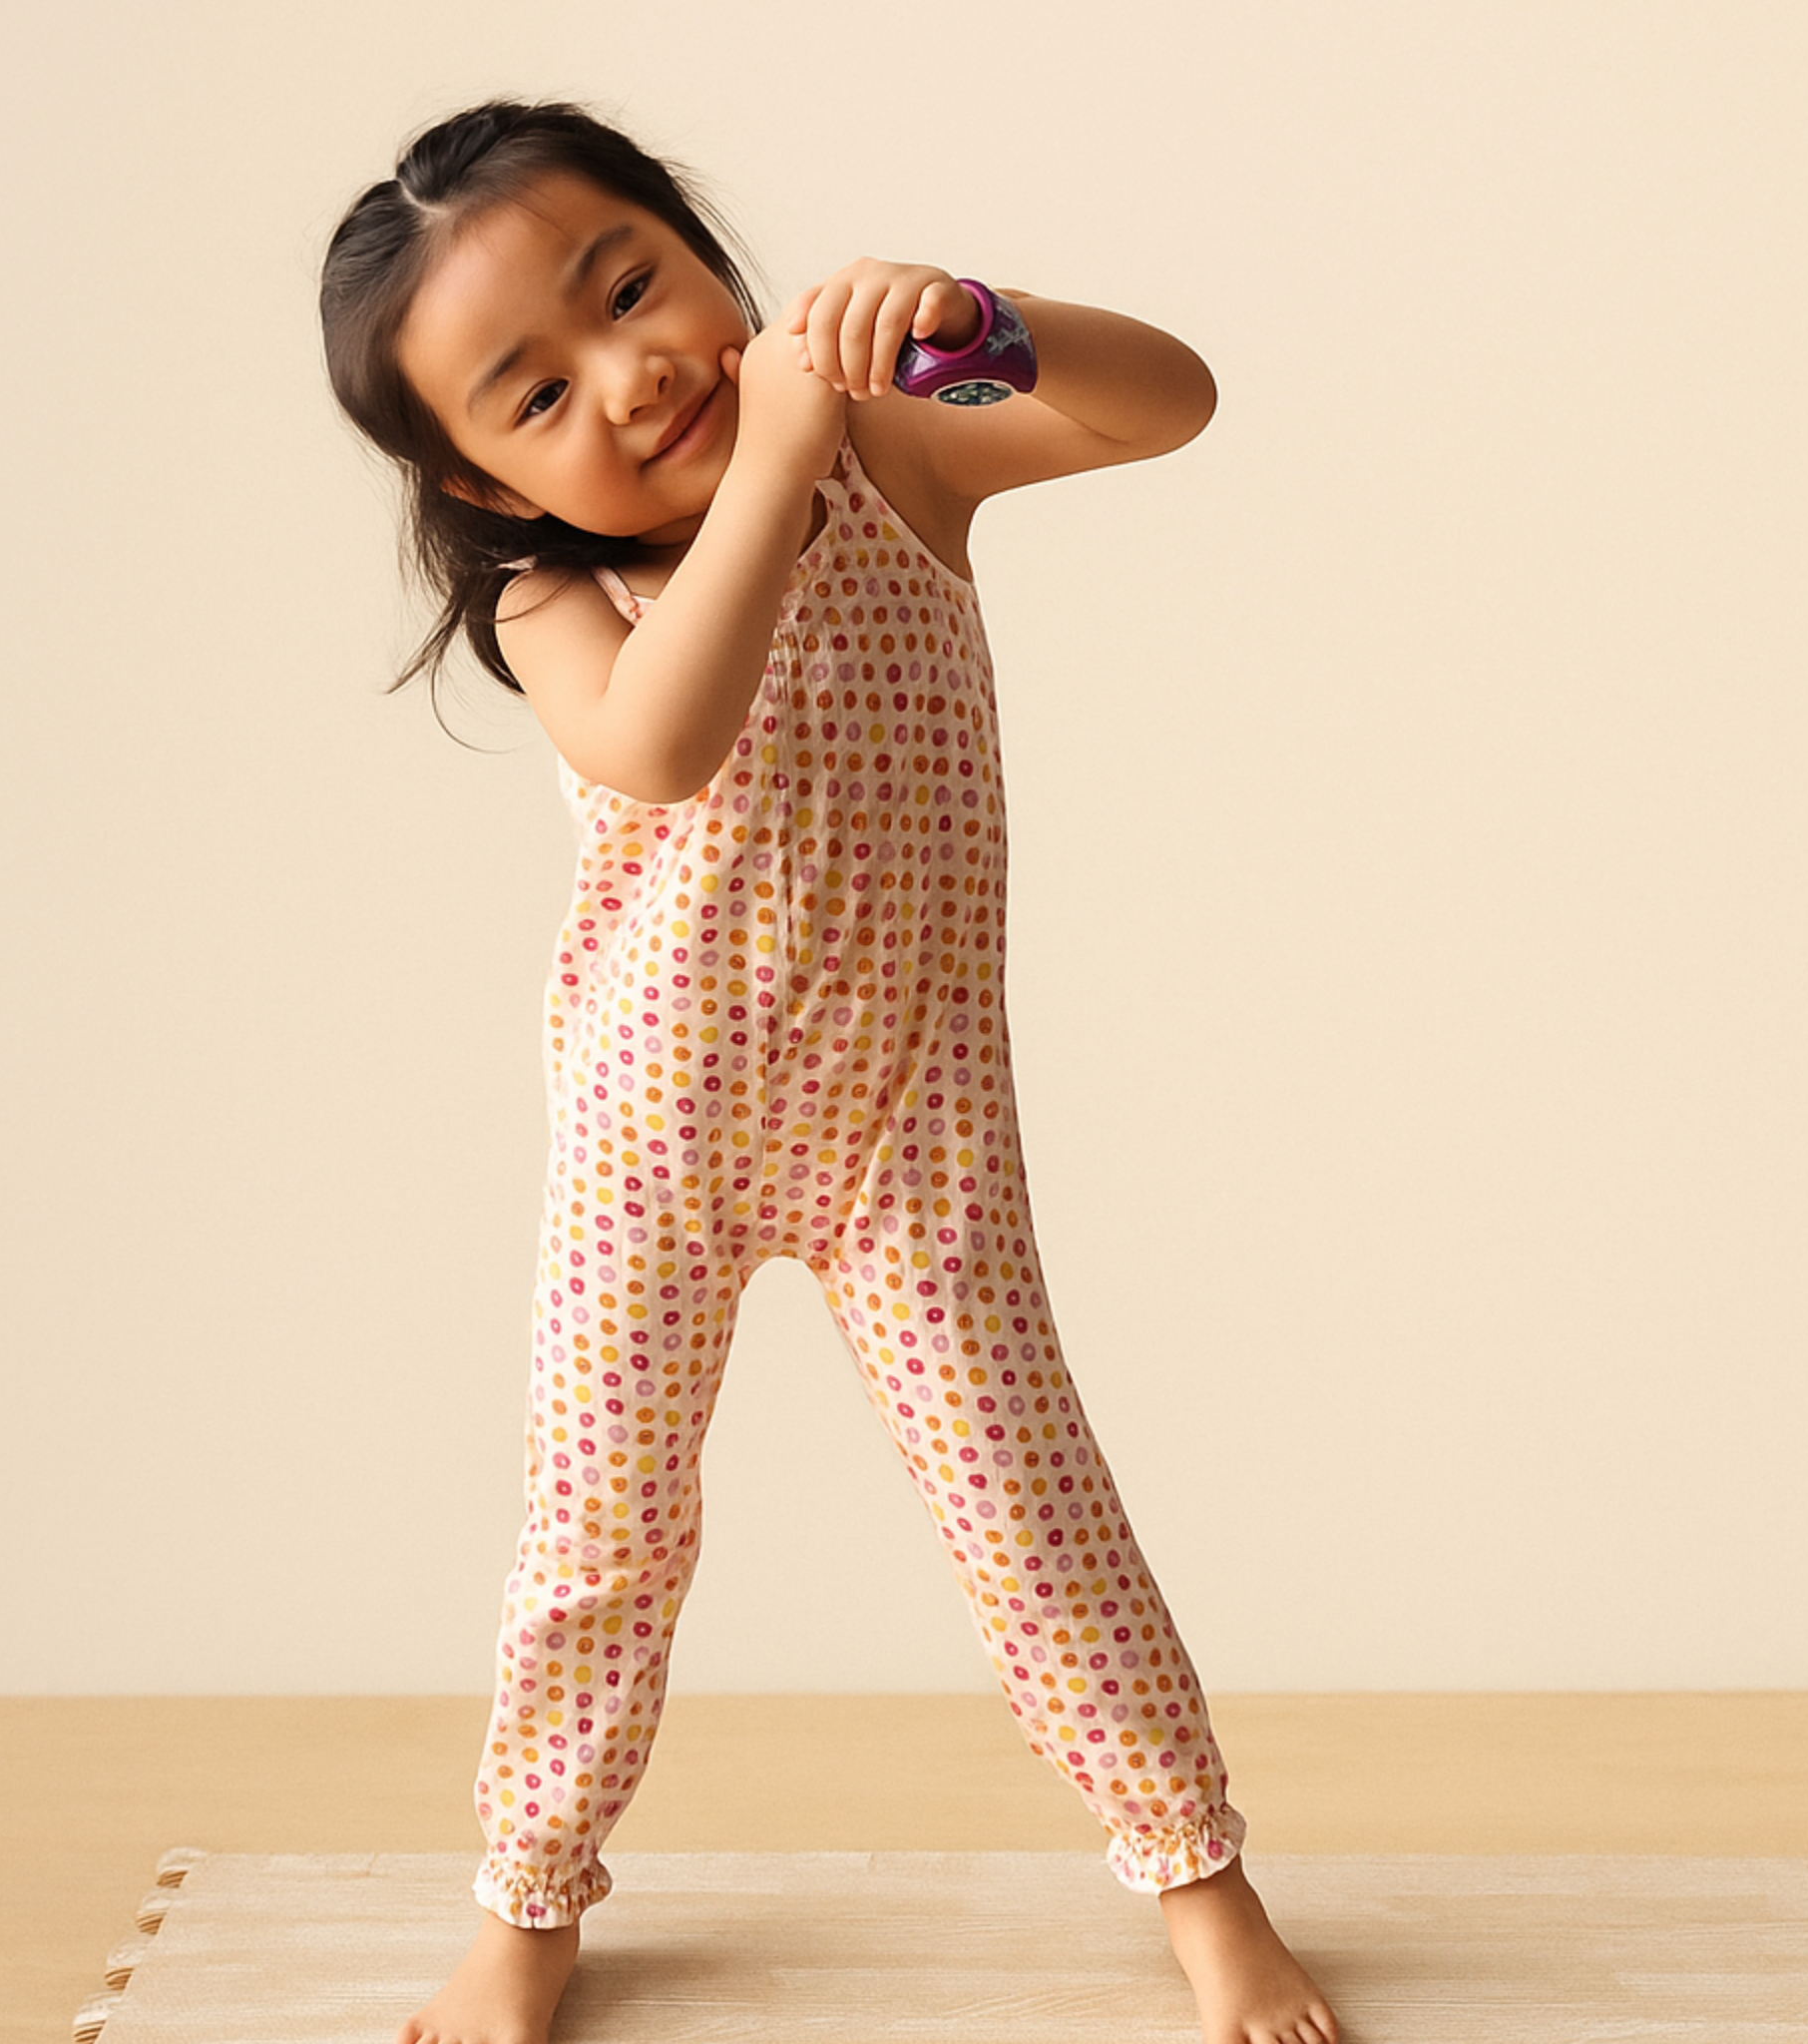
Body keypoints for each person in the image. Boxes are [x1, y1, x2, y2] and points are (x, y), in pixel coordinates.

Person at [319, 98, 1340, 2044]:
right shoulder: (557, 599)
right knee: (598, 1543)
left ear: (703, 252)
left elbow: (1170, 403)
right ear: (474, 478)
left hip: (908, 1131)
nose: (625, 376)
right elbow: (661, 742)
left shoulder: (894, 454)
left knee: (1033, 1516)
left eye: (630, 287)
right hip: (650, 1141)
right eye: (535, 395)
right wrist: (775, 457)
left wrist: (979, 320)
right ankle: (531, 1902)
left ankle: (1197, 1877)